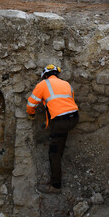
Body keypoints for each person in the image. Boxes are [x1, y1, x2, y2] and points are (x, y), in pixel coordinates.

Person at [26, 64, 79, 194]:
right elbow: (65, 103)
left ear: (44, 75)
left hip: (60, 122)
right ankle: (60, 147)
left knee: (53, 153)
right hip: (74, 118)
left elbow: (31, 104)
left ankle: (55, 185)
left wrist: (31, 115)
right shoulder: (67, 84)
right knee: (61, 136)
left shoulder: (43, 84)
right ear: (57, 74)